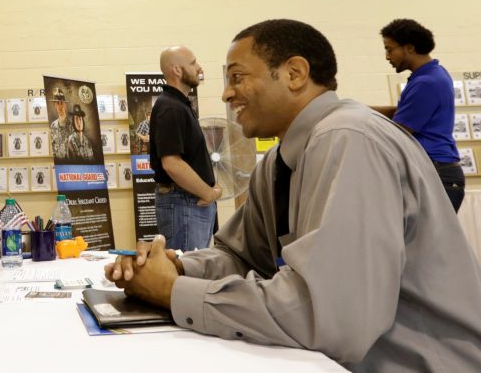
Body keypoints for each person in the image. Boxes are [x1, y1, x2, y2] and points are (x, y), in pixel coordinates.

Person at [106, 20, 481, 372]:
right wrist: (177, 267)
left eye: (237, 77)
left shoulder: (349, 140)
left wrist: (174, 291)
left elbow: (332, 314)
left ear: (295, 74)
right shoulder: (277, 162)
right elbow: (240, 255)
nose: (225, 92)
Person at [372, 19, 464, 211]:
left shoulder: (426, 83)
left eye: (389, 49)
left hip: (436, 172)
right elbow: (401, 113)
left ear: (409, 48)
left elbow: (398, 132)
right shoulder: (433, 74)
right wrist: (355, 108)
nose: (387, 56)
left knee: (429, 241)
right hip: (436, 170)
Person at [150, 46, 221, 251]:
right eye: (193, 63)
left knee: (194, 272)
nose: (199, 68)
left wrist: (212, 189)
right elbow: (172, 164)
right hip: (184, 205)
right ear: (177, 70)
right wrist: (208, 193)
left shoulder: (180, 105)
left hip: (190, 204)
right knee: (186, 275)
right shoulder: (170, 107)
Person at [49, 87, 73, 160]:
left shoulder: (73, 125)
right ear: (55, 106)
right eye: (57, 103)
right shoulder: (53, 125)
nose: (60, 106)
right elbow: (52, 146)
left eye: (62, 103)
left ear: (65, 105)